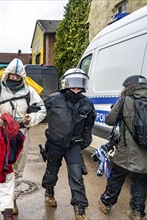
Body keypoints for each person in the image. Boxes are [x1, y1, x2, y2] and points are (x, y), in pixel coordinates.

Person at [0, 58, 46, 220]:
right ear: (7, 74)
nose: (14, 78)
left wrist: (31, 118)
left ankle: (13, 199)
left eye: (17, 75)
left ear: (22, 76)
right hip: (0, 135)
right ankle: (6, 207)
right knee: (3, 169)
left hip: (22, 135)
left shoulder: (29, 92)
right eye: (11, 75)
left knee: (18, 170)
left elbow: (41, 110)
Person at [98, 75, 147, 220]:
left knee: (116, 177)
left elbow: (109, 121)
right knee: (140, 180)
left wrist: (117, 110)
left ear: (128, 87)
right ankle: (137, 212)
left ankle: (106, 203)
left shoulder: (125, 100)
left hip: (127, 151)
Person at [41, 68, 95, 220]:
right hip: (55, 143)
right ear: (65, 84)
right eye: (73, 87)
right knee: (52, 170)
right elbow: (39, 114)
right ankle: (49, 192)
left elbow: (88, 125)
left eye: (79, 87)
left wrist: (84, 142)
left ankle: (80, 208)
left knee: (77, 176)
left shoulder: (87, 103)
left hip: (74, 145)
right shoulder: (53, 99)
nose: (76, 90)